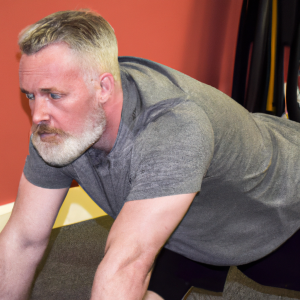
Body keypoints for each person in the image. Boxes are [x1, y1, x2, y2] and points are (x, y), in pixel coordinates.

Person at [1, 9, 300, 300]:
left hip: (280, 205)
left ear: (103, 87)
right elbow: (23, 241)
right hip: (189, 218)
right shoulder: (57, 126)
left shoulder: (173, 128)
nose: (38, 113)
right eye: (30, 94)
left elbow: (125, 265)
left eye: (53, 94)